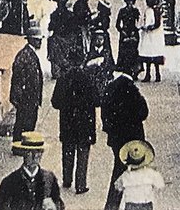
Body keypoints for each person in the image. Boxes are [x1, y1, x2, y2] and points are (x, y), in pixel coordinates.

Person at [52, 47, 99, 195]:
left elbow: (55, 102)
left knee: (68, 150)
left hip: (68, 122)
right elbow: (97, 100)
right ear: (82, 61)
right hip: (85, 122)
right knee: (83, 152)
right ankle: (81, 184)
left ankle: (67, 179)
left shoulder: (63, 78)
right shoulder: (88, 78)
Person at [102, 64, 149, 210]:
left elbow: (105, 115)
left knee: (118, 171)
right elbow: (143, 112)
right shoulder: (133, 89)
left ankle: (111, 205)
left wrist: (110, 131)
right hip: (134, 140)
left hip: (117, 140)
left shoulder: (110, 88)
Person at [0, 131, 64, 210]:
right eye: (30, 152)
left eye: (39, 151)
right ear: (23, 153)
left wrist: (54, 206)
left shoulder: (49, 179)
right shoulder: (9, 182)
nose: (35, 156)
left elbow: (59, 203)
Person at [10, 23, 45, 143]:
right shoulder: (24, 55)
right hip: (26, 98)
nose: (40, 43)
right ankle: (19, 145)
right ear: (31, 40)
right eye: (38, 40)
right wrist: (18, 98)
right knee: (23, 123)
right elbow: (18, 79)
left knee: (28, 123)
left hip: (30, 98)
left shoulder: (29, 54)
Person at [113, 140, 165, 210]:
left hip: (131, 205)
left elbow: (117, 186)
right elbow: (161, 184)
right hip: (146, 203)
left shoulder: (126, 175)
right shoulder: (151, 173)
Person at [138, 0, 165, 83]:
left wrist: (148, 27)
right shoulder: (151, 10)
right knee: (150, 54)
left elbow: (156, 24)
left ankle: (154, 74)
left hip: (153, 36)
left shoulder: (154, 10)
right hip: (151, 36)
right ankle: (152, 74)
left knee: (151, 54)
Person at [115, 0, 141, 73]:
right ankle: (124, 68)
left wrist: (135, 30)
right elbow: (117, 24)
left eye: (131, 1)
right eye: (128, 1)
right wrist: (121, 31)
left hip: (133, 32)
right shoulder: (122, 11)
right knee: (124, 52)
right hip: (125, 32)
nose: (129, 3)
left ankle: (134, 69)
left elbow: (139, 22)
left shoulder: (135, 11)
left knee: (133, 52)